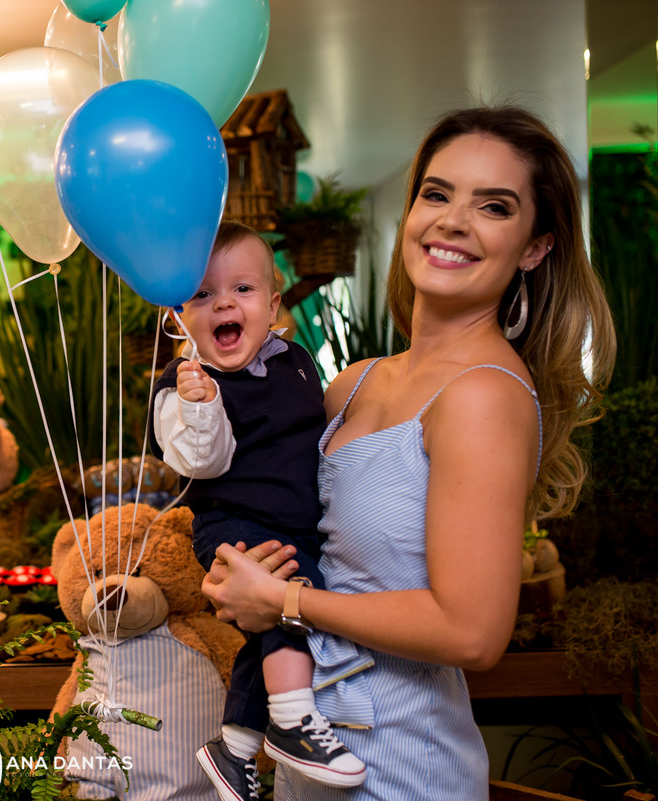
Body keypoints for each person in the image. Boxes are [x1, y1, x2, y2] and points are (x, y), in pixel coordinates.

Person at [201, 105, 616, 801]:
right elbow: (278, 516)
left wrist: (285, 598)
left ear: (535, 247)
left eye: (494, 206)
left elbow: (473, 632)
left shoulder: (484, 394)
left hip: (403, 769)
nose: (453, 220)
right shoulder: (354, 382)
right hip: (314, 758)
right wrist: (235, 572)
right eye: (437, 192)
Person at [150, 220, 366, 800]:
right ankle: (295, 721)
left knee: (263, 634)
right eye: (202, 294)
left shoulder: (296, 360)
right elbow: (201, 460)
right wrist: (201, 407)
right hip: (233, 520)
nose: (223, 301)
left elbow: (312, 437)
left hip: (296, 520)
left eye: (243, 290)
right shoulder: (184, 384)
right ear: (179, 316)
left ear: (273, 306)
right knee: (286, 601)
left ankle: (235, 747)